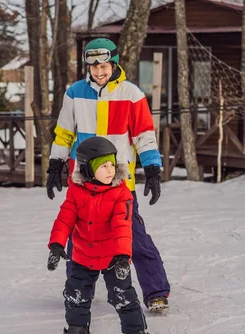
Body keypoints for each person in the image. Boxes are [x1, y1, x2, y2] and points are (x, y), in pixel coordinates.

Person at [46, 37, 170, 312]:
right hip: (83, 181)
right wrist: (55, 164)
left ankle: (156, 292)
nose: (99, 72)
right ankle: (77, 291)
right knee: (78, 238)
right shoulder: (74, 93)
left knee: (132, 236)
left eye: (104, 65)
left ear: (114, 63)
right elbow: (64, 133)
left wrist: (152, 170)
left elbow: (144, 136)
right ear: (87, 67)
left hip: (118, 181)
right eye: (94, 67)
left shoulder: (131, 94)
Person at [46, 136, 151, 334]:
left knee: (123, 296)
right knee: (75, 296)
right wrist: (56, 245)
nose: (110, 169)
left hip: (113, 257)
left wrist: (123, 256)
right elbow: (65, 219)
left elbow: (122, 224)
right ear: (87, 169)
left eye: (112, 163)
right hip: (83, 255)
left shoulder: (120, 193)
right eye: (103, 165)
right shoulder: (76, 192)